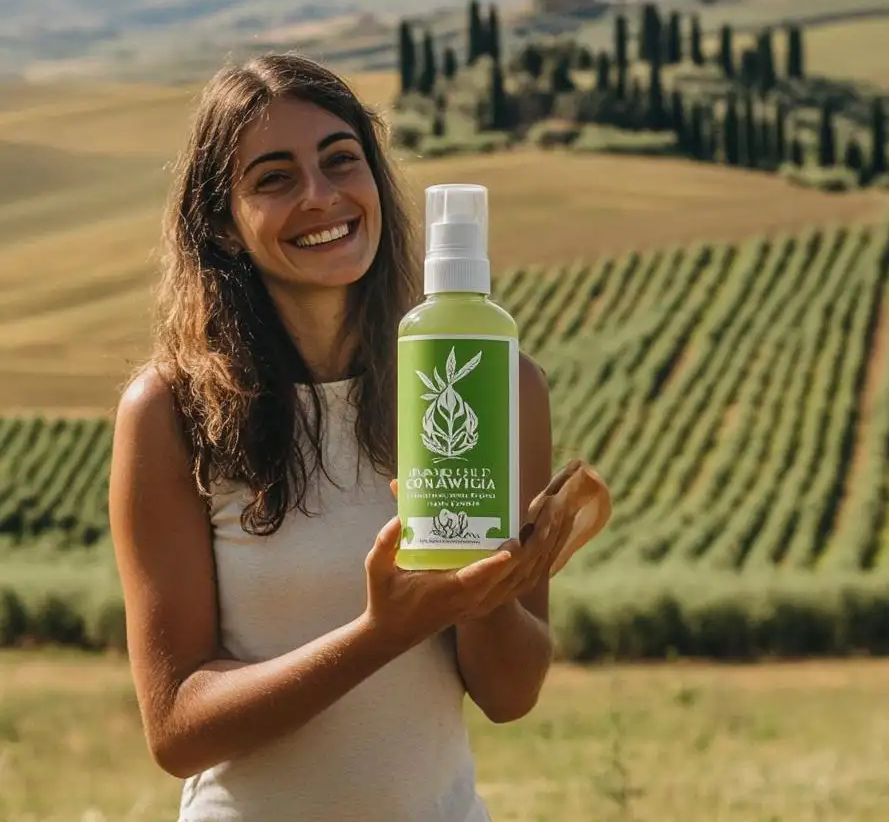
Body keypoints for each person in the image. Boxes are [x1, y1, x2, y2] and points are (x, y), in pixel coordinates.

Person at [109, 54, 569, 821]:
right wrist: (380, 633)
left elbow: (510, 696)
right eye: (274, 178)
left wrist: (485, 592)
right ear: (222, 222)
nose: (321, 197)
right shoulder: (170, 411)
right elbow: (178, 728)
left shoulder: (493, 382)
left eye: (340, 160)